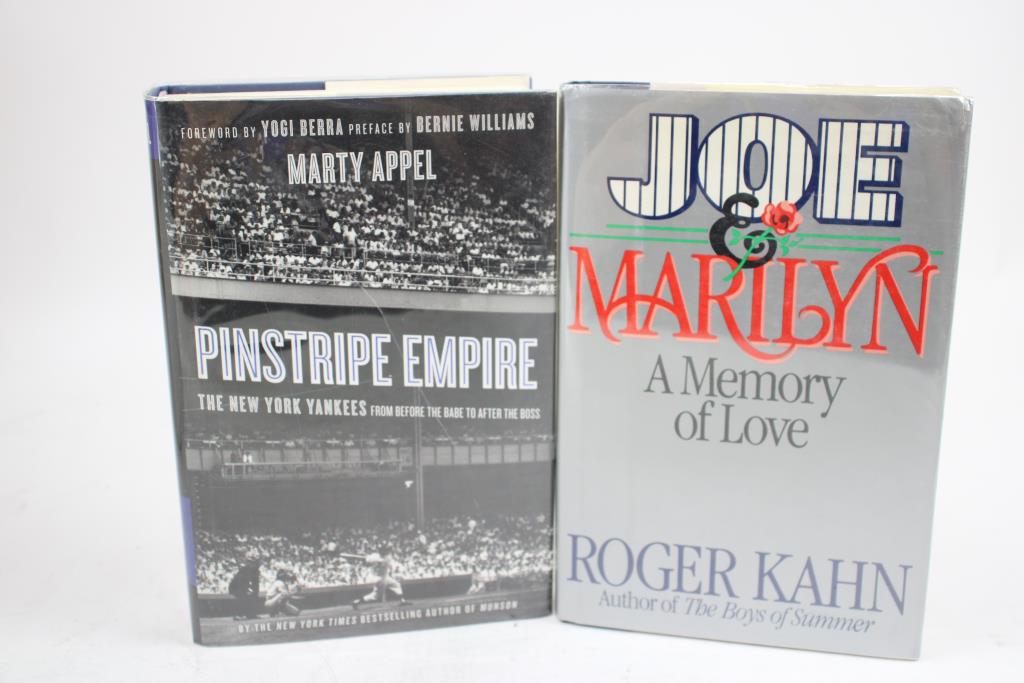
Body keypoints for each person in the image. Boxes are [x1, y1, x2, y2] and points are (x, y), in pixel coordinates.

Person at [351, 545, 411, 609]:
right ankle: (357, 601)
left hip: (385, 577)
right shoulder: (376, 556)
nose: (386, 552)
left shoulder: (383, 557)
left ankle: (402, 601)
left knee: (396, 585)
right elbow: (368, 562)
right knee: (375, 596)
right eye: (385, 551)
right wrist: (368, 558)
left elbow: (373, 560)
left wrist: (369, 558)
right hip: (380, 578)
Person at [228, 554, 262, 620]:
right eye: (251, 562)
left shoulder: (256, 571)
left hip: (245, 587)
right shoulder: (244, 570)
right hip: (235, 587)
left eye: (255, 562)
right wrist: (248, 590)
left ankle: (252, 614)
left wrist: (254, 592)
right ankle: (238, 615)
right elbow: (239, 583)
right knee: (243, 596)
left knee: (254, 595)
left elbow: (256, 585)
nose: (254, 564)